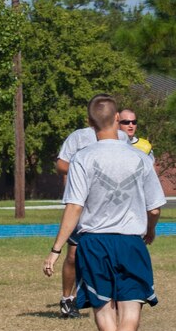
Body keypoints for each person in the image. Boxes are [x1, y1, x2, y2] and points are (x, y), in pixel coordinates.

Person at [43, 93, 166, 331]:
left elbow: (74, 207)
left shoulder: (82, 158)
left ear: (89, 123)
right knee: (130, 314)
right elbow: (154, 207)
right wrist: (150, 231)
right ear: (117, 121)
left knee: (103, 314)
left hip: (93, 243)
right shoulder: (140, 157)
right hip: (129, 242)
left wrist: (56, 249)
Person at [55, 123, 130, 319]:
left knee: (111, 253)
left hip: (111, 206)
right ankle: (67, 299)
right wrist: (84, 168)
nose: (130, 125)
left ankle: (111, 297)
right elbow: (61, 164)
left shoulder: (121, 138)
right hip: (84, 204)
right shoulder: (79, 137)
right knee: (73, 254)